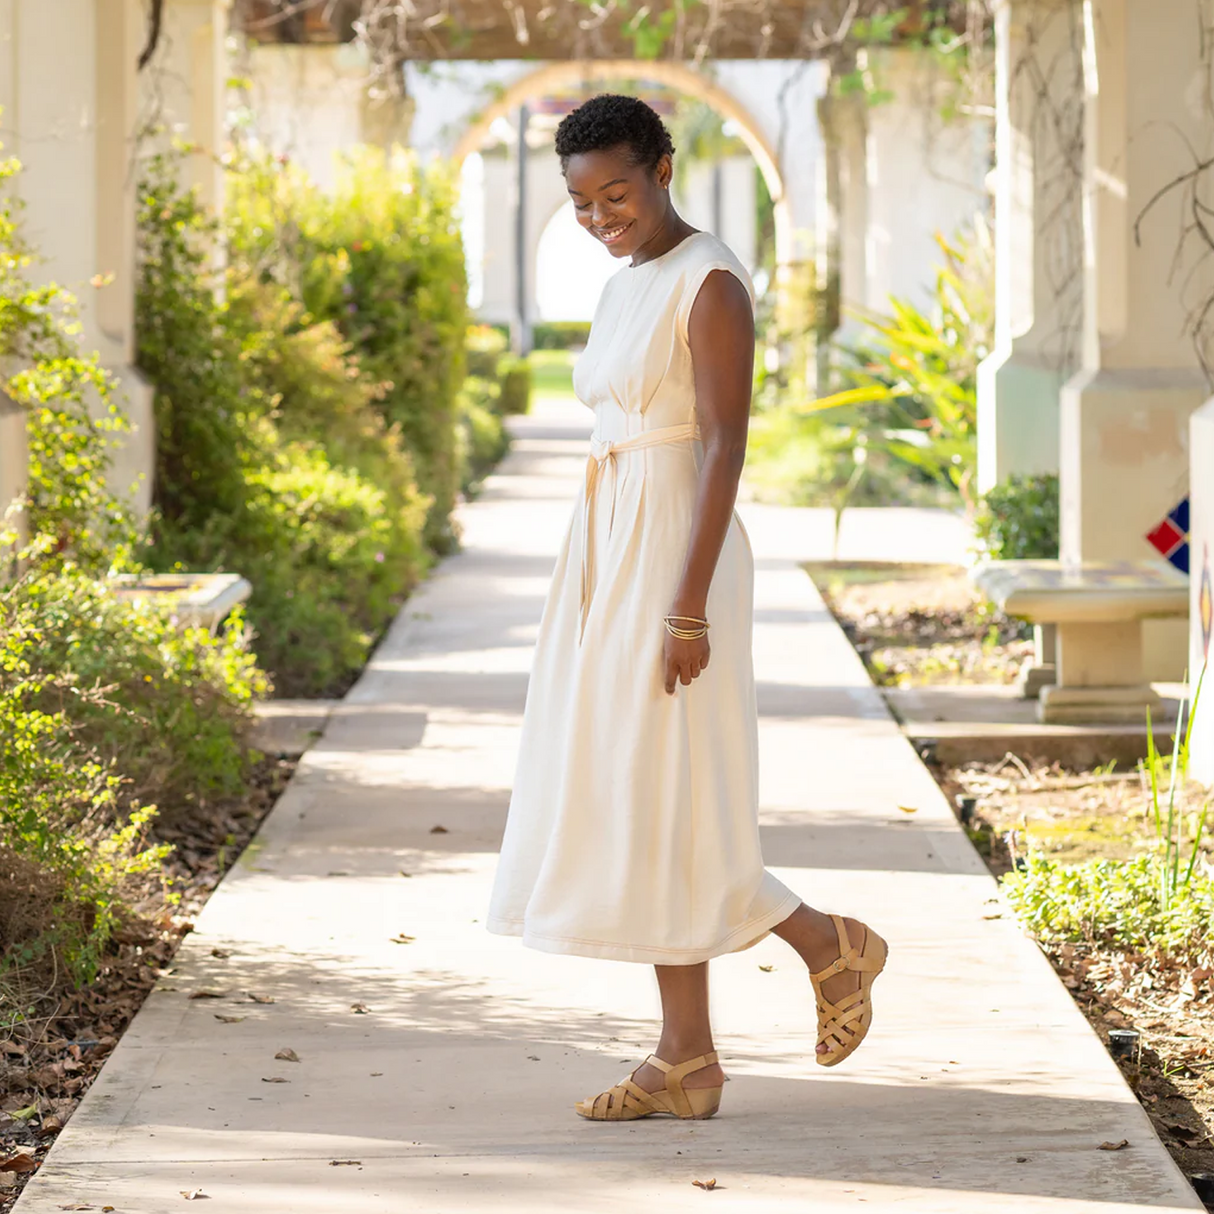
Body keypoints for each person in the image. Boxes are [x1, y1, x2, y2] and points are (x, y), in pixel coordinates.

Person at [486, 92, 887, 1122]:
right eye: (579, 201)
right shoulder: (627, 281)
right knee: (639, 792)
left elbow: (721, 445)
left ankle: (824, 939)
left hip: (675, 548)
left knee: (664, 792)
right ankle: (686, 1056)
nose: (599, 215)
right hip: (610, 538)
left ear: (663, 167)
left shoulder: (708, 281)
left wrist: (687, 602)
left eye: (614, 192)